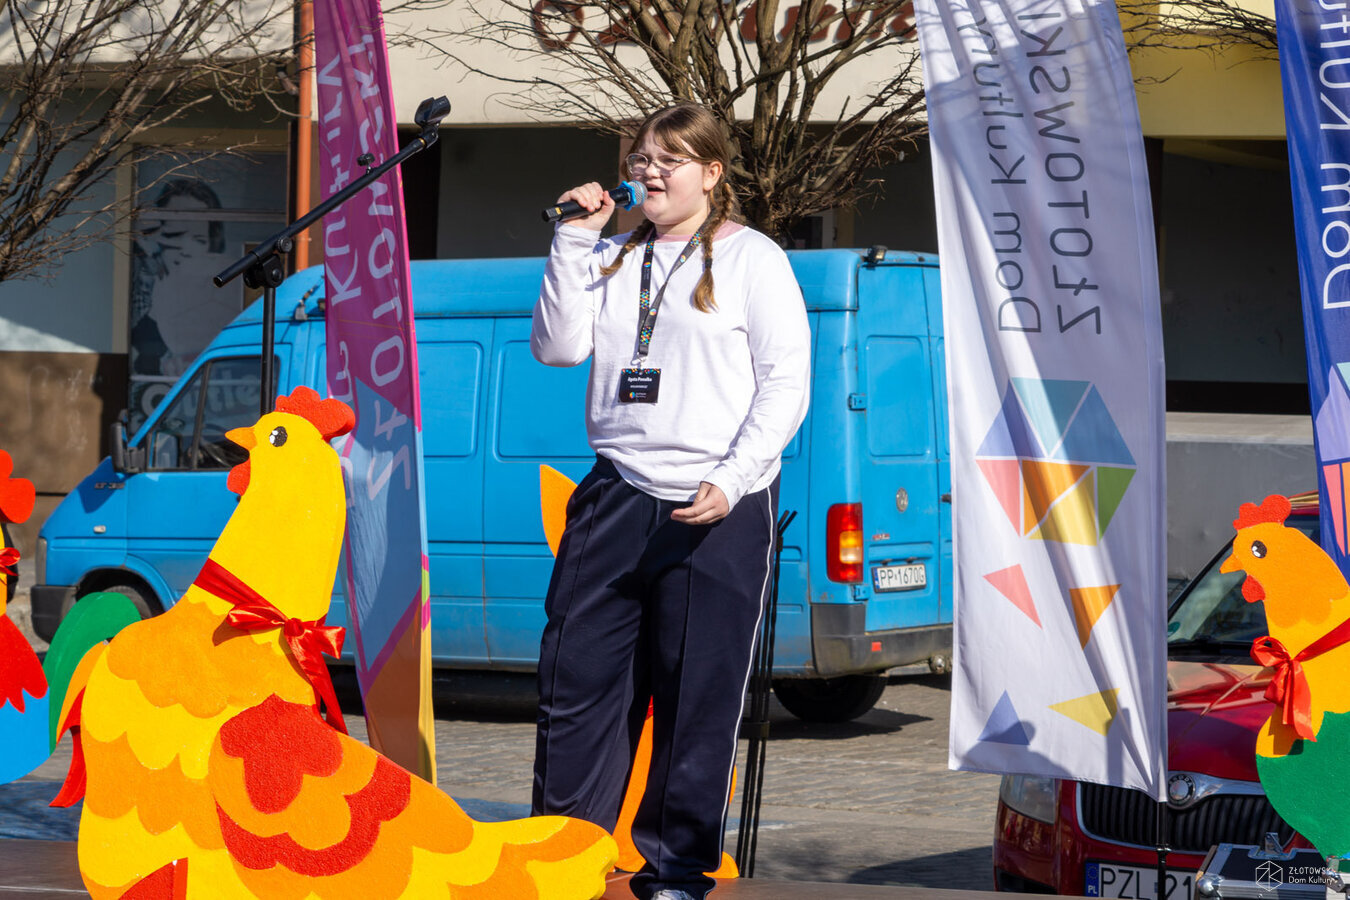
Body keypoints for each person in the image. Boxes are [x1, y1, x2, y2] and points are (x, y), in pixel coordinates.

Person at [530, 102, 811, 900]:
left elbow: (787, 383)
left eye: (669, 159)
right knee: (577, 684)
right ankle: (563, 855)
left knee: (697, 695)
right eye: (641, 159)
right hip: (618, 489)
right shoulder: (607, 254)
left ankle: (676, 868)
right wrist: (573, 239)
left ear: (712, 173)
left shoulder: (754, 259)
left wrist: (734, 477)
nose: (649, 172)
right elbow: (558, 349)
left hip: (717, 502)